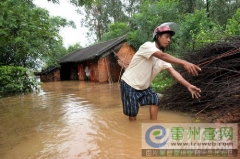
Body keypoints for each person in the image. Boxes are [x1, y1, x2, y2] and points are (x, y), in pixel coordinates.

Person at [120, 22, 201, 121]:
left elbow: (174, 72)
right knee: (132, 113)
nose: (169, 40)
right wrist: (184, 62)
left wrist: (188, 85)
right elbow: (162, 55)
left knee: (154, 100)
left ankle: (153, 125)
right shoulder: (147, 46)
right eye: (166, 37)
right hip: (129, 83)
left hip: (144, 86)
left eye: (170, 38)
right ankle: (131, 133)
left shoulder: (163, 58)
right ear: (158, 36)